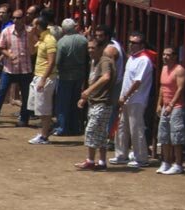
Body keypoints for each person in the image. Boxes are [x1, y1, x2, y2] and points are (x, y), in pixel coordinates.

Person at [110, 31, 153, 168]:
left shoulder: (144, 60)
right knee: (122, 128)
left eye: (134, 43)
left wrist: (125, 96)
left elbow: (137, 82)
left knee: (136, 129)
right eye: (130, 42)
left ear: (142, 44)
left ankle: (141, 158)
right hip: (126, 99)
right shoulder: (132, 58)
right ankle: (121, 155)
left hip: (137, 100)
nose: (131, 45)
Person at [0, 9, 31, 126]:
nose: (16, 20)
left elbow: (36, 46)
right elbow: (0, 47)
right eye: (14, 18)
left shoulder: (29, 32)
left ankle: (24, 119)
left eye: (18, 18)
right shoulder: (7, 31)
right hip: (9, 68)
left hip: (25, 68)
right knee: (1, 92)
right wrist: (9, 55)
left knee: (26, 95)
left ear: (23, 19)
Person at [74, 38, 113, 170]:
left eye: (93, 48)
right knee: (101, 133)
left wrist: (88, 91)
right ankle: (102, 162)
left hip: (103, 102)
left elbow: (106, 77)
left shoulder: (105, 61)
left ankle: (90, 160)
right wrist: (85, 98)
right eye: (89, 48)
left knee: (91, 130)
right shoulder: (93, 62)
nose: (90, 50)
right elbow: (93, 81)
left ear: (100, 49)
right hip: (94, 101)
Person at [154, 46, 185, 175]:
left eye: (168, 55)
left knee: (176, 137)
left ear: (174, 56)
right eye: (163, 54)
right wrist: (159, 104)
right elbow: (162, 88)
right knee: (164, 136)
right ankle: (166, 162)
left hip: (176, 108)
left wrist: (171, 105)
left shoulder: (179, 70)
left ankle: (178, 164)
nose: (165, 57)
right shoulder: (164, 68)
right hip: (165, 107)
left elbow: (180, 89)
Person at [53, 18, 87, 136]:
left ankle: (62, 127)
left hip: (65, 76)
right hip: (79, 75)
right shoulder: (83, 40)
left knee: (63, 103)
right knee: (75, 102)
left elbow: (58, 61)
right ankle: (75, 127)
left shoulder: (62, 42)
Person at [26, 15, 57, 145]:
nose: (32, 27)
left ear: (38, 26)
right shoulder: (42, 38)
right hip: (38, 75)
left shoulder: (50, 40)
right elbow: (32, 51)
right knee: (38, 107)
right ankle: (43, 132)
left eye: (34, 25)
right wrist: (30, 36)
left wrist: (43, 79)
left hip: (45, 77)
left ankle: (44, 135)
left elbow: (51, 61)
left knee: (44, 108)